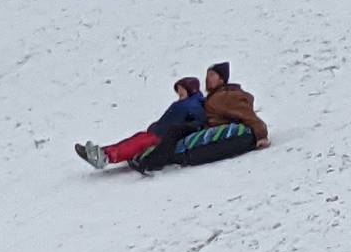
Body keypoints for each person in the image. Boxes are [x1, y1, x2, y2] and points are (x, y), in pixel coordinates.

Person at [130, 62, 269, 173]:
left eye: (212, 75)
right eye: (207, 75)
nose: (207, 78)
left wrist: (261, 135)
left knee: (175, 131)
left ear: (221, 79)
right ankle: (147, 155)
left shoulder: (226, 96)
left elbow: (246, 114)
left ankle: (150, 163)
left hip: (211, 127)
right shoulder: (215, 96)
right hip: (205, 126)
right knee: (175, 132)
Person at [75, 77, 206, 169]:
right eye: (178, 89)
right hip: (157, 132)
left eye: (182, 89)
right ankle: (99, 152)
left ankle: (105, 158)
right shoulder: (182, 103)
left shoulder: (193, 104)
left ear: (191, 89)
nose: (179, 92)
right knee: (131, 141)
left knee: (136, 144)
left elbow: (199, 121)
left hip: (163, 137)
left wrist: (185, 128)